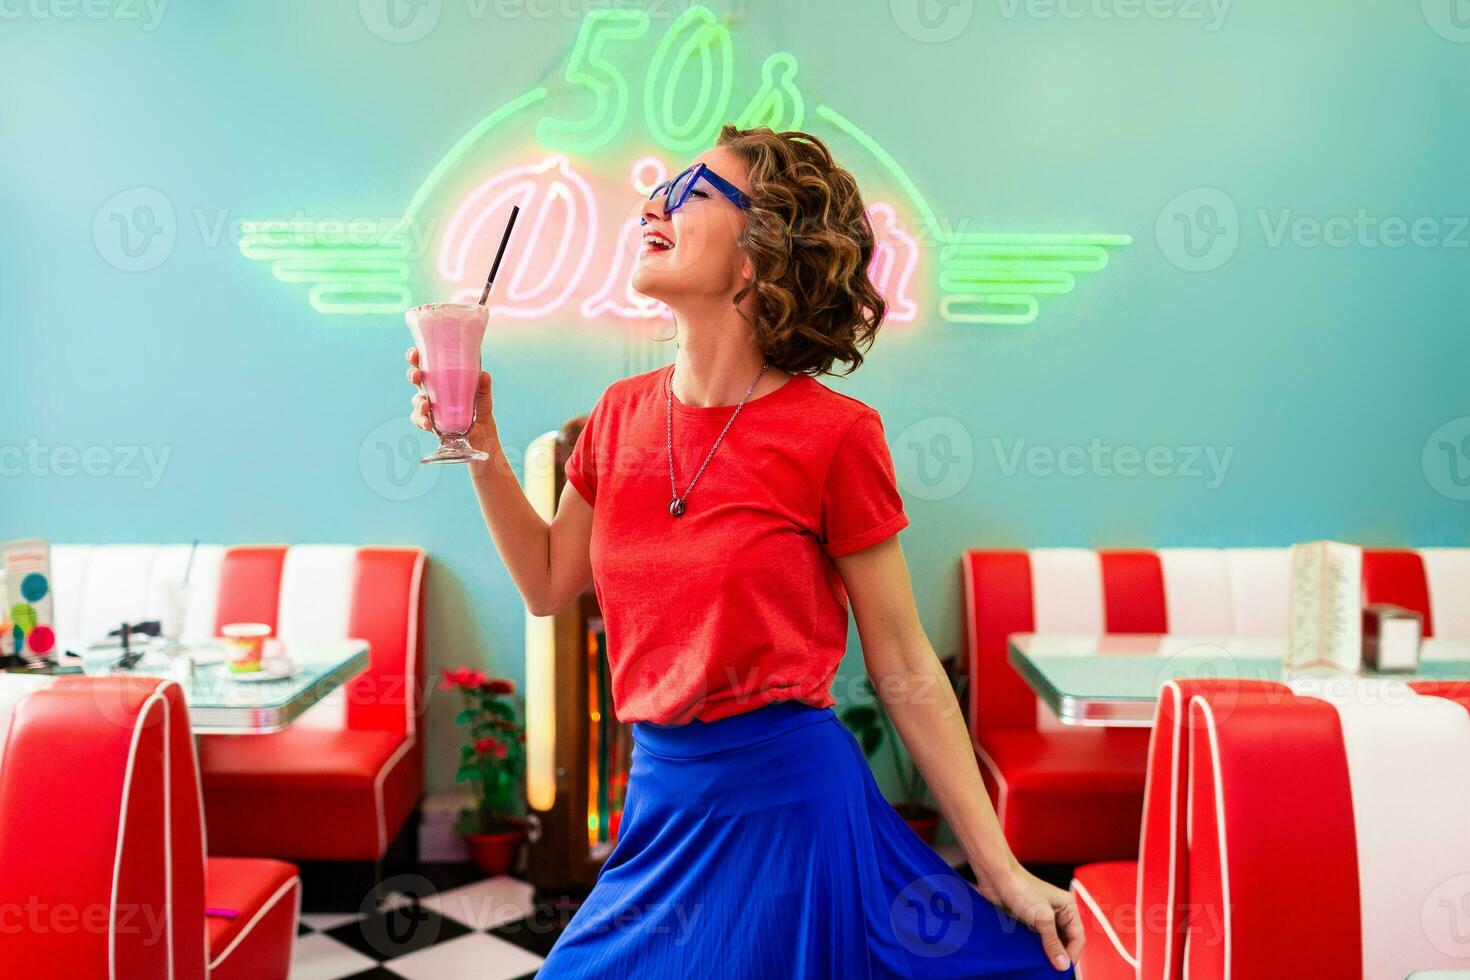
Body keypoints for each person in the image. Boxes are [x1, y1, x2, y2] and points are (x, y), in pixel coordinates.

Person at [407, 125, 1081, 978]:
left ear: (757, 254)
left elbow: (904, 658)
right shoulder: (619, 416)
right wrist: (482, 441)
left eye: (692, 193)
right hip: (661, 810)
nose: (654, 201)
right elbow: (547, 583)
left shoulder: (834, 435)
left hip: (791, 813)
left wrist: (1001, 868)